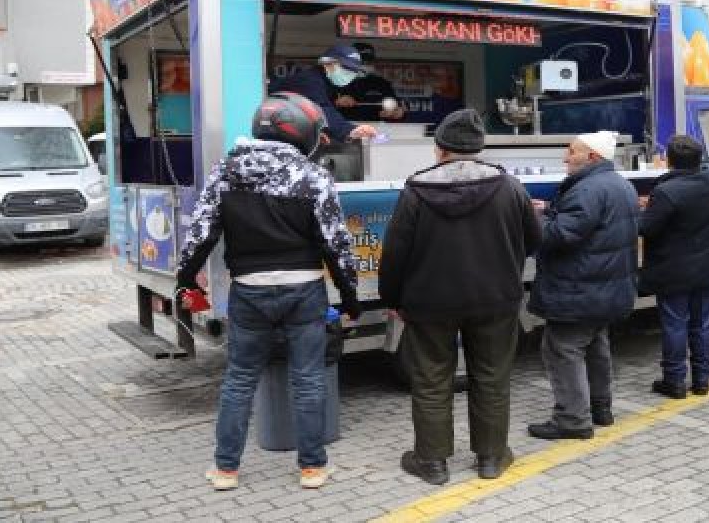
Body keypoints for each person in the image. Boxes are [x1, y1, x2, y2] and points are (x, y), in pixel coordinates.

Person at [175, 92, 363, 492]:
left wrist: (186, 280)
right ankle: (312, 469)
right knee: (309, 380)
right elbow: (337, 244)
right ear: (301, 130)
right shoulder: (313, 176)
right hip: (304, 292)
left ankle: (226, 470)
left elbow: (200, 234)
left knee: (239, 380)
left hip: (248, 292)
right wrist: (350, 299)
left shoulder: (225, 172)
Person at [379, 109, 540, 485]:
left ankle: (432, 463)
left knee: (432, 381)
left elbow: (396, 252)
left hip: (428, 304)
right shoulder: (510, 186)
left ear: (440, 149)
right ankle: (491, 458)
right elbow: (535, 240)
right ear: (479, 148)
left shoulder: (416, 189)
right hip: (496, 301)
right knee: (492, 377)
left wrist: (393, 298)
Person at [527, 131, 638, 440]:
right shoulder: (618, 184)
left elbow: (558, 237)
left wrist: (532, 216)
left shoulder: (587, 190)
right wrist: (549, 210)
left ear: (591, 156)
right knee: (596, 346)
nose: (565, 157)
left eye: (571, 151)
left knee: (562, 350)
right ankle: (600, 408)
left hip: (578, 289)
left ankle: (572, 419)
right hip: (604, 288)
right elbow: (585, 226)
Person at [638, 135, 709, 399]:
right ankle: (702, 379)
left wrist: (643, 210)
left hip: (675, 271)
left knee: (675, 324)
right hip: (708, 267)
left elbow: (646, 228)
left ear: (668, 160)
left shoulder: (666, 191)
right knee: (703, 323)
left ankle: (675, 381)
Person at [268, 43, 379, 142]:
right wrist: (350, 130)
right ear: (327, 64)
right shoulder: (309, 80)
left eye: (353, 70)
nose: (350, 73)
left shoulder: (329, 83)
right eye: (346, 68)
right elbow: (322, 110)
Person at [334, 42, 406, 122]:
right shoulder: (335, 81)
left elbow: (397, 108)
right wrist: (337, 102)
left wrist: (397, 113)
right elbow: (323, 107)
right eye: (361, 61)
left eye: (368, 61)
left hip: (376, 129)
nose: (365, 65)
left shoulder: (381, 83)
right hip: (344, 127)